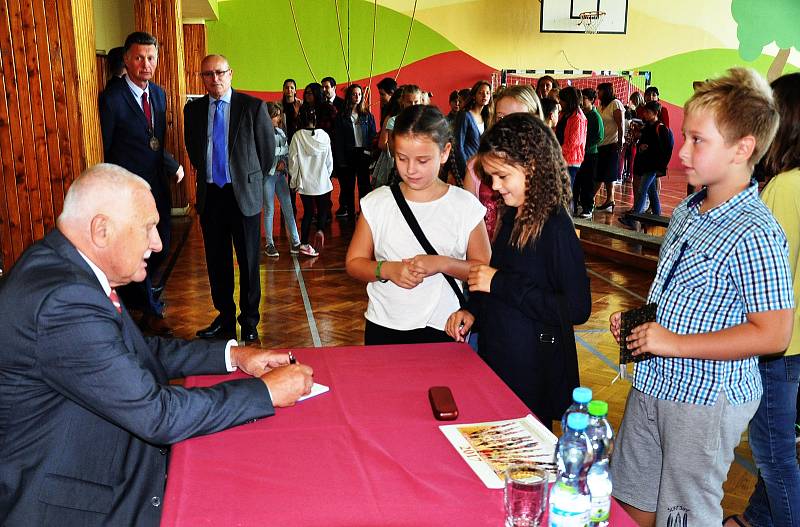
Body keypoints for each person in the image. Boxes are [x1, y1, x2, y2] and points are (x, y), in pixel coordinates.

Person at [0, 164, 314, 526]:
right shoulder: (63, 301)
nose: (158, 242)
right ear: (101, 230)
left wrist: (234, 355)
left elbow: (136, 352)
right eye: (148, 228)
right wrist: (263, 392)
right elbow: (157, 415)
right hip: (76, 504)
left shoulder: (62, 265)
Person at [609, 68, 794, 527]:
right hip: (654, 383)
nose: (684, 151)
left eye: (697, 140)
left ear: (742, 149)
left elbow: (773, 333)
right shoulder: (691, 210)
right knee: (632, 498)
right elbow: (683, 292)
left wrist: (674, 343)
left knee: (684, 512)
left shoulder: (755, 230)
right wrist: (642, 322)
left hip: (704, 401)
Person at [445, 113, 591, 430]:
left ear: (533, 167)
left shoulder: (555, 225)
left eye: (502, 177)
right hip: (501, 357)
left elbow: (577, 308)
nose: (494, 187)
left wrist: (499, 283)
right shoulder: (512, 214)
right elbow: (498, 281)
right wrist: (472, 311)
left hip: (533, 373)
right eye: (490, 177)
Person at [345, 105, 491, 345]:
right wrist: (387, 270)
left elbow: (483, 268)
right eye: (402, 158)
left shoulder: (464, 205)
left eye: (422, 160)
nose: (411, 169)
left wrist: (442, 263)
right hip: (384, 323)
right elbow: (354, 263)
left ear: (444, 153)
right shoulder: (378, 202)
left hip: (445, 324)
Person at [728, 72, 800, 527]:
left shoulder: (783, 188)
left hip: (780, 347)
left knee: (773, 455)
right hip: (797, 342)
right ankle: (758, 518)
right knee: (783, 444)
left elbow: (763, 277)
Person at [184, 54, 274, 344]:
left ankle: (248, 321)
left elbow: (267, 152)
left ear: (231, 73)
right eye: (208, 74)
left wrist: (249, 178)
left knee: (248, 262)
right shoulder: (194, 110)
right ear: (202, 78)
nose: (215, 79)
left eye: (220, 72)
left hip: (243, 196)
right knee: (217, 262)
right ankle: (224, 318)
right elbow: (194, 148)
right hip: (212, 195)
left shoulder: (252, 107)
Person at [99, 31, 184, 337]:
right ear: (127, 59)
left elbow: (156, 143)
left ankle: (138, 296)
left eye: (151, 58)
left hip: (157, 188)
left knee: (162, 244)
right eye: (139, 58)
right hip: (126, 193)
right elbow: (105, 149)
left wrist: (171, 165)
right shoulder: (112, 99)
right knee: (139, 249)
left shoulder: (159, 95)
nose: (146, 64)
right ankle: (148, 308)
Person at [465, 84, 544, 239]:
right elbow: (468, 221)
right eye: (501, 117)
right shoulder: (477, 166)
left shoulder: (546, 167)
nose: (507, 125)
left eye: (517, 117)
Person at [619, 101, 673, 228]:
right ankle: (657, 215)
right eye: (645, 112)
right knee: (651, 191)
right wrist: (640, 146)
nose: (645, 114)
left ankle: (634, 218)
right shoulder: (647, 127)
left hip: (653, 165)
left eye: (648, 112)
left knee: (641, 190)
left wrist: (661, 165)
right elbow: (641, 143)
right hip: (645, 164)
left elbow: (667, 148)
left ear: (655, 113)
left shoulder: (661, 128)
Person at [289, 107, 333, 257]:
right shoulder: (325, 136)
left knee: (308, 212)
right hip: (322, 181)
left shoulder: (297, 136)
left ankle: (304, 243)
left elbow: (293, 162)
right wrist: (326, 175)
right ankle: (320, 230)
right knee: (322, 210)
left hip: (305, 182)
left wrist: (294, 182)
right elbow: (329, 161)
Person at [333, 83, 377, 218]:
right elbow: (338, 140)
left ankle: (364, 213)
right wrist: (340, 160)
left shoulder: (367, 115)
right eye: (354, 94)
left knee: (364, 186)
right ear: (349, 96)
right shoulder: (341, 116)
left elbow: (372, 136)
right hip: (348, 155)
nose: (357, 96)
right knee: (348, 187)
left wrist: (371, 155)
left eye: (359, 94)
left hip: (363, 154)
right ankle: (351, 213)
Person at [263, 102, 301, 258]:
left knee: (288, 207)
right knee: (269, 210)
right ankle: (269, 243)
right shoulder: (262, 135)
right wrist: (274, 165)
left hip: (280, 176)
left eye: (279, 114)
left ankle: (295, 240)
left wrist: (283, 164)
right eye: (275, 115)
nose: (278, 118)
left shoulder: (281, 132)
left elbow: (286, 153)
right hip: (268, 177)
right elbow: (261, 158)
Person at [592, 82, 625, 212]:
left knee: (605, 173)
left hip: (612, 143)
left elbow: (620, 124)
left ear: (606, 91)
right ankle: (610, 199)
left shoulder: (615, 104)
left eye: (599, 91)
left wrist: (620, 142)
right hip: (601, 143)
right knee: (604, 173)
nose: (597, 93)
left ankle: (594, 197)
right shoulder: (600, 106)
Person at [574, 88, 604, 218]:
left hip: (590, 154)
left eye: (584, 98)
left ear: (592, 100)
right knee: (577, 181)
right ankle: (574, 206)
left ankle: (588, 208)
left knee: (588, 183)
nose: (581, 101)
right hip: (578, 154)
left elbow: (600, 136)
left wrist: (585, 146)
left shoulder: (595, 116)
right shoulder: (579, 113)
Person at [454, 80, 493, 179]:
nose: (484, 95)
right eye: (481, 92)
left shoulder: (486, 117)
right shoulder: (465, 115)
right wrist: (464, 168)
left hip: (482, 167)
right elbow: (458, 145)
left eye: (488, 93)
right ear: (474, 96)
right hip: (467, 166)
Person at [555, 86, 587, 196]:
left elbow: (574, 142)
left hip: (570, 160)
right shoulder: (564, 114)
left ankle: (567, 213)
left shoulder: (578, 118)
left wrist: (557, 151)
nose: (560, 102)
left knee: (566, 192)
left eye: (562, 100)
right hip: (561, 157)